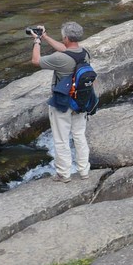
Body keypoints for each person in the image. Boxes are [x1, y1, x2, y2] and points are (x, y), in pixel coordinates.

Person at [31, 21, 90, 183]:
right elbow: (66, 49)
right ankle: (84, 171)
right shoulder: (84, 53)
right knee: (79, 135)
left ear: (65, 37)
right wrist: (46, 36)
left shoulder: (60, 58)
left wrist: (37, 41)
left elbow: (36, 61)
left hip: (62, 102)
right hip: (80, 101)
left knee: (61, 138)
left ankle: (64, 174)